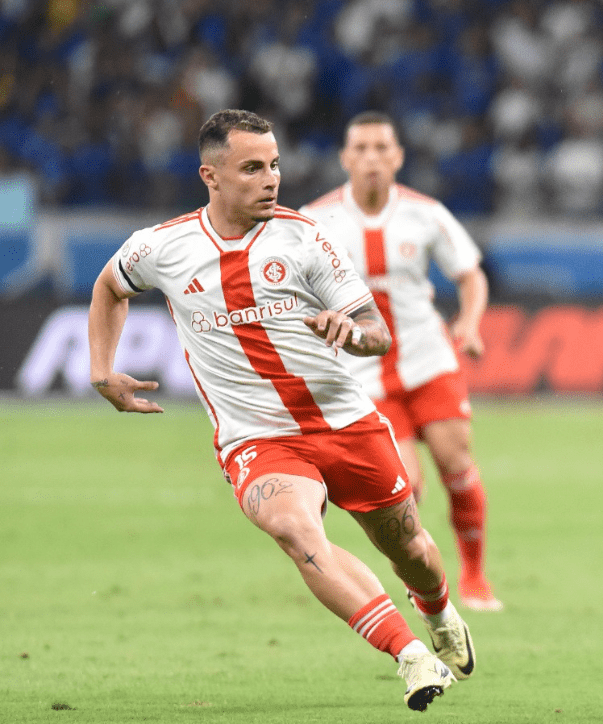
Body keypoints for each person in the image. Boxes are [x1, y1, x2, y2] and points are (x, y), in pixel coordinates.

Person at [87, 109, 477, 710]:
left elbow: (377, 331)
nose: (270, 178)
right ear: (210, 176)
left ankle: (439, 611)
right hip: (257, 439)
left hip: (343, 421)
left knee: (411, 550)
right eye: (251, 168)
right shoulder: (162, 246)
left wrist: (349, 330)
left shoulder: (307, 237)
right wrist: (101, 369)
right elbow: (110, 285)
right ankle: (410, 654)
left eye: (274, 165)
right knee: (296, 530)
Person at [302, 111, 501, 611]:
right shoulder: (314, 220)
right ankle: (423, 578)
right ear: (346, 158)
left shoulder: (426, 212)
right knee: (405, 486)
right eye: (361, 149)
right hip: (364, 375)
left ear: (398, 157)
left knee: (457, 466)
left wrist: (470, 323)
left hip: (429, 361)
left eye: (381, 148)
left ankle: (475, 576)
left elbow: (470, 275)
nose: (371, 158)